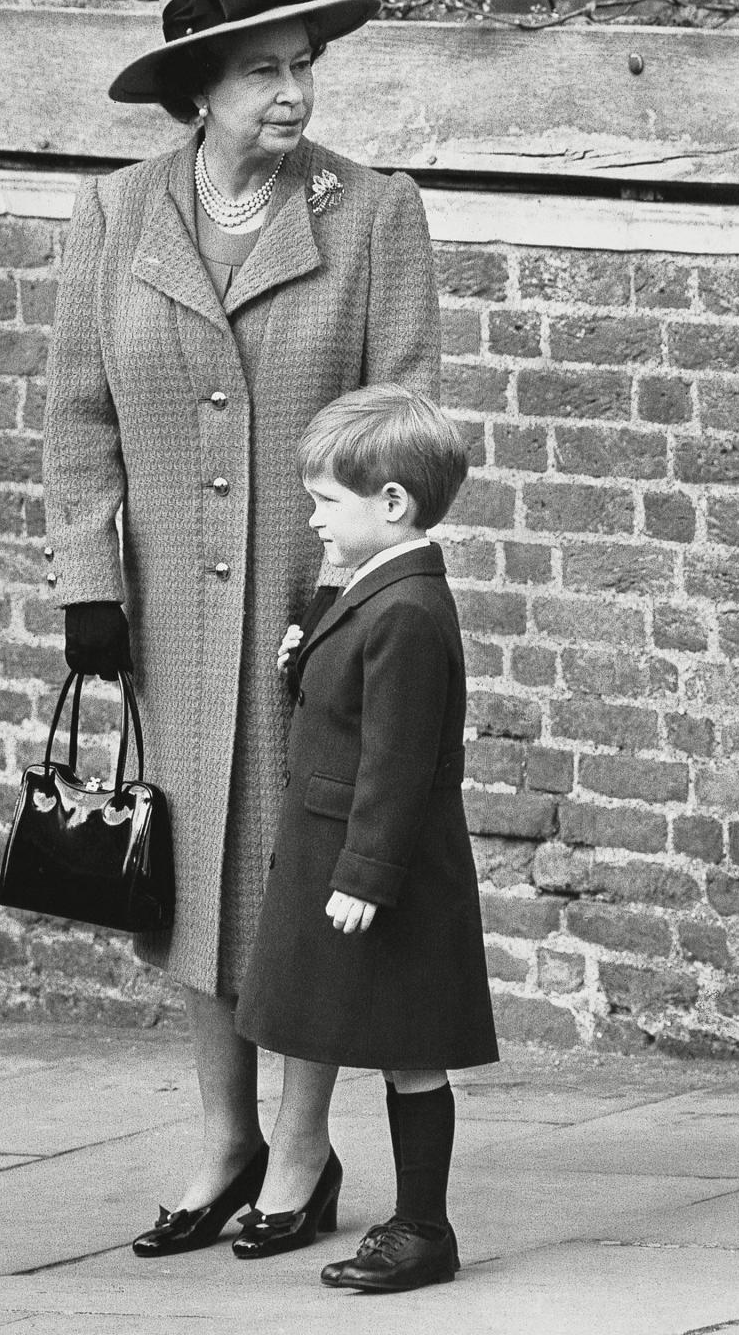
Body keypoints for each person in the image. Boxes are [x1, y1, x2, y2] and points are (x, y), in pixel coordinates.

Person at [40, 0, 442, 1257]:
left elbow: (402, 426)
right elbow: (75, 417)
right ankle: (223, 1137)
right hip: (169, 618)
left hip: (317, 610)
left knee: (303, 869)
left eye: (303, 67)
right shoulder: (116, 215)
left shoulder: (372, 212)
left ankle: (301, 1147)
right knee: (190, 875)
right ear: (199, 89)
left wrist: (347, 594)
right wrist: (87, 585)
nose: (294, 94)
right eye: (264, 71)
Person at [234, 386, 499, 1291]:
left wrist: (368, 875)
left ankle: (424, 1228)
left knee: (412, 1050)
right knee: (394, 1041)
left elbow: (399, 760)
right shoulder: (376, 588)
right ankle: (414, 1223)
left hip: (381, 868)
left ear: (394, 505)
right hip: (343, 854)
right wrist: (304, 656)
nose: (313, 522)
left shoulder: (410, 611)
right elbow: (347, 696)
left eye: (324, 503)